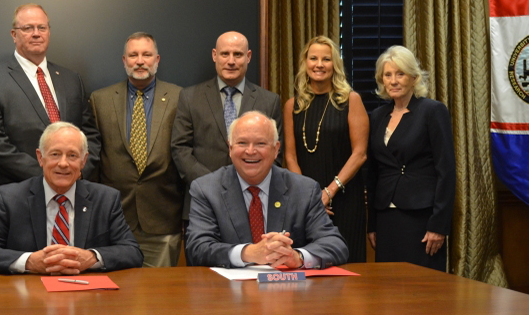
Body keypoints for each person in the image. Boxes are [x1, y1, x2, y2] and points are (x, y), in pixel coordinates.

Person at [0, 3, 101, 226]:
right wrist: (49, 176)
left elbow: (90, 135)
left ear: (49, 32)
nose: (36, 34)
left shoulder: (71, 79)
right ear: (14, 34)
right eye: (28, 28)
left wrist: (76, 173)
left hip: (71, 199)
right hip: (16, 199)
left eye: (42, 27)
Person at [0, 122, 143, 274]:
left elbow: (132, 252)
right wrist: (30, 262)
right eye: (55, 154)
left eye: (72, 155)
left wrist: (91, 257)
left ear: (83, 161)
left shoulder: (105, 199)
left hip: (86, 297)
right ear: (40, 158)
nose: (63, 163)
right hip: (28, 297)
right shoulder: (10, 198)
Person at [186, 111, 348, 269]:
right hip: (229, 292)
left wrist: (297, 257)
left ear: (276, 149)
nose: (250, 151)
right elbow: (197, 248)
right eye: (242, 143)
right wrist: (248, 253)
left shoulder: (304, 189)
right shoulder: (206, 189)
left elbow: (335, 244)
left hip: (289, 292)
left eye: (260, 143)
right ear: (230, 148)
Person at [171, 31, 283, 233]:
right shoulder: (189, 97)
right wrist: (214, 186)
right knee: (203, 263)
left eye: (238, 55)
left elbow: (275, 153)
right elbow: (180, 149)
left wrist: (243, 183)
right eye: (225, 54)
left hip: (254, 204)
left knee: (251, 262)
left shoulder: (269, 101)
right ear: (215, 55)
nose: (231, 61)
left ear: (248, 57)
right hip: (203, 203)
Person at [89, 32, 183, 267]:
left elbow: (184, 152)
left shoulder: (180, 97)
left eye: (146, 54)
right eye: (133, 55)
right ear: (124, 60)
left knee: (159, 297)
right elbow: (94, 161)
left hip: (163, 219)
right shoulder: (100, 100)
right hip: (114, 219)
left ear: (157, 60)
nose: (140, 60)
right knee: (116, 298)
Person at [367, 45, 456, 272]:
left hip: (422, 217)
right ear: (381, 80)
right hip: (386, 217)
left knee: (422, 290)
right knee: (388, 291)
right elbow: (373, 173)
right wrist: (372, 224)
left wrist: (439, 225)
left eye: (400, 74)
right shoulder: (376, 117)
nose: (394, 81)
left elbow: (446, 171)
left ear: (414, 78)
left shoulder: (432, 111)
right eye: (388, 75)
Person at [282, 36, 368, 263]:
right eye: (313, 58)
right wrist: (309, 198)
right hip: (305, 203)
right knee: (307, 267)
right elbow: (290, 155)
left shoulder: (351, 100)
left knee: (349, 271)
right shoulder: (293, 105)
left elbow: (360, 154)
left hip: (345, 199)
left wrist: (328, 192)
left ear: (335, 65)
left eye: (326, 59)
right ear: (305, 63)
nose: (319, 64)